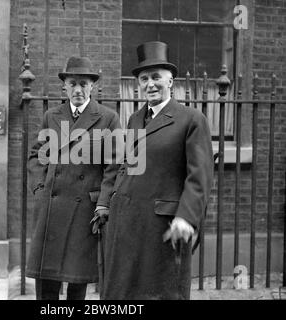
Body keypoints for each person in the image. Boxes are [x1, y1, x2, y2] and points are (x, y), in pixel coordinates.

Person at [102, 41, 214, 300]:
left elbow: (200, 177)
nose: (150, 84)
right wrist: (110, 204)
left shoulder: (191, 119)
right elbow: (125, 166)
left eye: (156, 77)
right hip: (126, 225)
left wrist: (187, 217)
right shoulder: (134, 119)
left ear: (171, 81)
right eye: (144, 78)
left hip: (162, 227)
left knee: (162, 292)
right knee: (123, 295)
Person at [26, 56, 123, 300]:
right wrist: (40, 188)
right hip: (52, 204)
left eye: (83, 83)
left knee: (76, 279)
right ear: (64, 86)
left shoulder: (107, 118)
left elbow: (115, 165)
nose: (78, 89)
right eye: (72, 83)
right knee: (46, 278)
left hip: (84, 207)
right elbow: (37, 155)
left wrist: (103, 202)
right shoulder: (52, 116)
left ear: (92, 86)